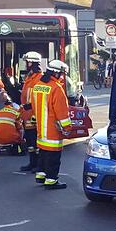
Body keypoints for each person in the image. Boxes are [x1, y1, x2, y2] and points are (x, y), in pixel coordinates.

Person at [31, 59, 73, 190]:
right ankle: (51, 180)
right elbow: (62, 112)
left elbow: (34, 106)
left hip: (40, 129)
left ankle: (41, 175)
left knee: (43, 152)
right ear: (56, 73)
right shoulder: (56, 88)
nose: (62, 77)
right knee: (53, 156)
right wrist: (67, 127)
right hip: (52, 129)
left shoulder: (38, 85)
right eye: (61, 74)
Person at [18, 51, 44, 174]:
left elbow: (39, 98)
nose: (26, 65)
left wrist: (33, 112)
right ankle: (32, 163)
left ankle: (39, 164)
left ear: (33, 63)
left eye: (28, 62)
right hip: (27, 114)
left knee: (36, 141)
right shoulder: (29, 77)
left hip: (34, 114)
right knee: (30, 141)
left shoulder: (39, 78)